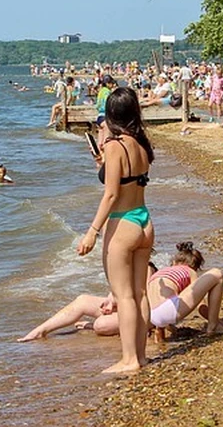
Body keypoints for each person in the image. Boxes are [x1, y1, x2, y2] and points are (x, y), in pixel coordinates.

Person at [76, 87, 155, 374]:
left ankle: (128, 360)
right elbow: (128, 178)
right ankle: (141, 356)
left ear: (110, 115)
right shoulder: (141, 144)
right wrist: (102, 164)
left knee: (124, 296)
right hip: (145, 220)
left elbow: (110, 195)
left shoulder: (113, 145)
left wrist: (92, 232)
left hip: (123, 223)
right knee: (140, 293)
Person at [147, 242, 223, 341]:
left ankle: (159, 336)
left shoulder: (162, 272)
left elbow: (158, 301)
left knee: (167, 299)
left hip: (150, 315)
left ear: (174, 262)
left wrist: (160, 326)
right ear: (195, 266)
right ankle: (214, 326)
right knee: (217, 274)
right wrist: (219, 321)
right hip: (167, 311)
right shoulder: (189, 271)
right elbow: (201, 307)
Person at [18, 293, 120, 341]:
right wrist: (111, 300)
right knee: (82, 300)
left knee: (101, 325)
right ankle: (39, 332)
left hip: (134, 307)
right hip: (125, 301)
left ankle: (95, 325)